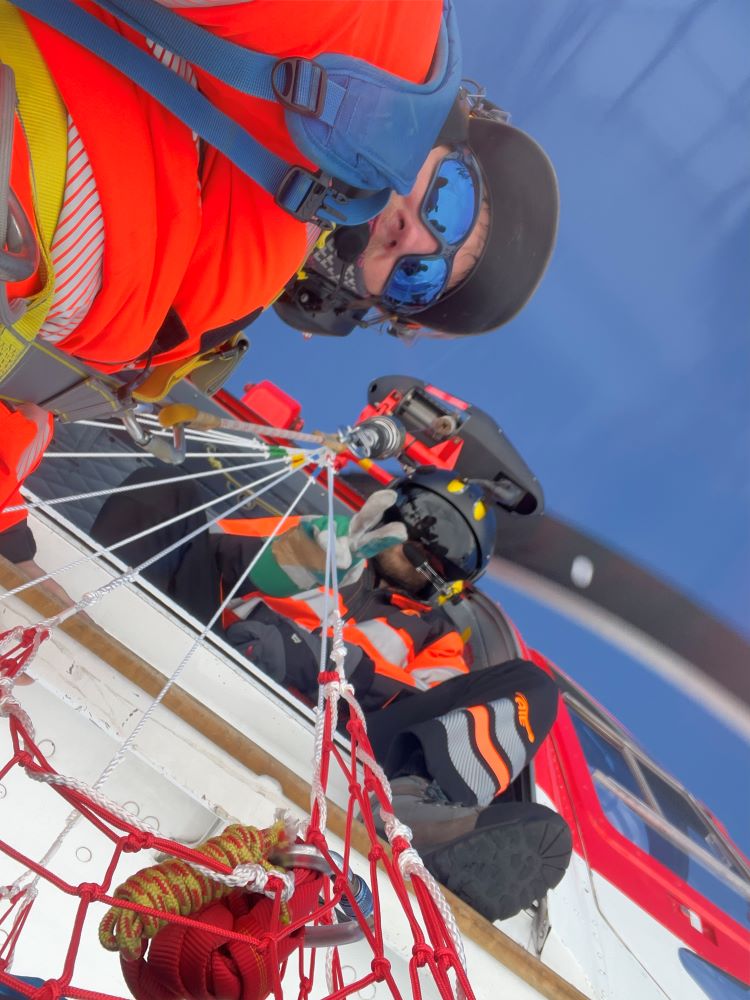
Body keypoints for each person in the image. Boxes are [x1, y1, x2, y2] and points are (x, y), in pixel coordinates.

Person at [0, 0, 558, 567]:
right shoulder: (372, 49)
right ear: (449, 129)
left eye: (419, 277)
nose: (415, 236)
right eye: (450, 201)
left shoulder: (205, 316)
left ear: (368, 299)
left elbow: (24, 381)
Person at [91, 466, 572, 921]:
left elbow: (415, 704)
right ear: (390, 507)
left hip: (335, 752)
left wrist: (303, 653)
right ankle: (86, 613)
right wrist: (300, 562)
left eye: (446, 547)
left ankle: (413, 821)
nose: (423, 541)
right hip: (201, 659)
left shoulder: (435, 638)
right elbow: (217, 555)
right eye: (422, 517)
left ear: (450, 581)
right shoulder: (321, 540)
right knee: (169, 492)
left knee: (533, 687)